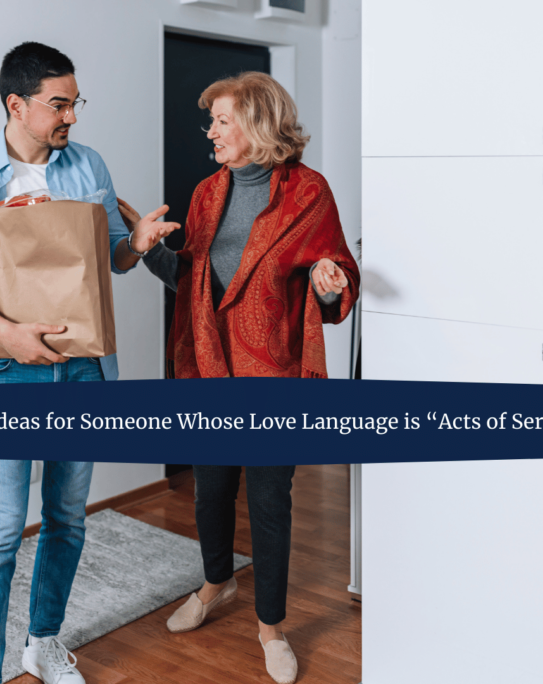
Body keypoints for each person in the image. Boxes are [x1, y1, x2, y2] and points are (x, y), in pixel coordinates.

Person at [0, 42, 177, 684]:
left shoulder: (88, 165)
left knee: (66, 518)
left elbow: (110, 262)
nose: (72, 117)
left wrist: (138, 247)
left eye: (74, 102)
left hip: (85, 370)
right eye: (59, 104)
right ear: (17, 104)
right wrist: (7, 333)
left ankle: (42, 644)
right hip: (8, 375)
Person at [120, 71, 359, 684]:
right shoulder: (206, 193)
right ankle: (216, 584)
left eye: (222, 120)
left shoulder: (308, 193)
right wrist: (148, 249)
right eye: (213, 122)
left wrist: (331, 286)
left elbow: (335, 273)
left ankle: (272, 627)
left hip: (271, 371)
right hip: (208, 365)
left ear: (257, 123)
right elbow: (190, 278)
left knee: (269, 501)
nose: (212, 132)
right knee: (210, 490)